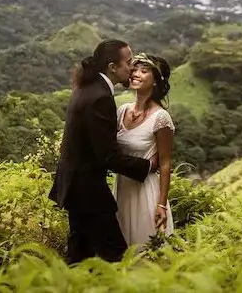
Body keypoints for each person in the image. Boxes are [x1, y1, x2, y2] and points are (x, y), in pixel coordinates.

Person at [48, 40, 158, 264]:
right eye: (128, 62)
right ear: (112, 67)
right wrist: (148, 165)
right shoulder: (100, 97)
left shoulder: (87, 87)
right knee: (118, 258)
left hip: (76, 186)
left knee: (80, 258)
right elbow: (107, 156)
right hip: (87, 191)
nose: (133, 67)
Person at [113, 52, 175, 249]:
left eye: (144, 71)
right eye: (134, 69)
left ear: (155, 81)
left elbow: (165, 163)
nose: (135, 74)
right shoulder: (122, 111)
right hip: (122, 189)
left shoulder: (161, 118)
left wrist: (161, 205)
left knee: (145, 253)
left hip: (146, 192)